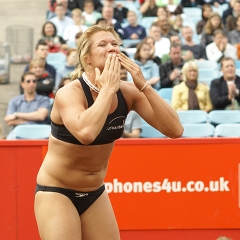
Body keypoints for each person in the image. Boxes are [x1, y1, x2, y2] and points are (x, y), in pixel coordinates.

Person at [34, 25, 183, 240]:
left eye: (115, 44)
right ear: (88, 59)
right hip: (57, 191)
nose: (111, 48)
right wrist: (107, 90)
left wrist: (144, 86)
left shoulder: (128, 92)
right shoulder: (69, 93)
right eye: (102, 45)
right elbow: (86, 133)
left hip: (95, 192)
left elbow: (175, 130)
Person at [4, 72, 50, 139]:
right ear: (22, 84)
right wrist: (35, 117)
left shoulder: (44, 99)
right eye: (28, 81)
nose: (31, 84)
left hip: (41, 135)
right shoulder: (14, 101)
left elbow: (42, 116)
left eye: (34, 81)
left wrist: (17, 115)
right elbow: (9, 121)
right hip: (18, 136)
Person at [120, 66, 142, 138]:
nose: (123, 76)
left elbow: (136, 136)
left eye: (125, 74)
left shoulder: (134, 113)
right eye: (121, 74)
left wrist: (120, 132)